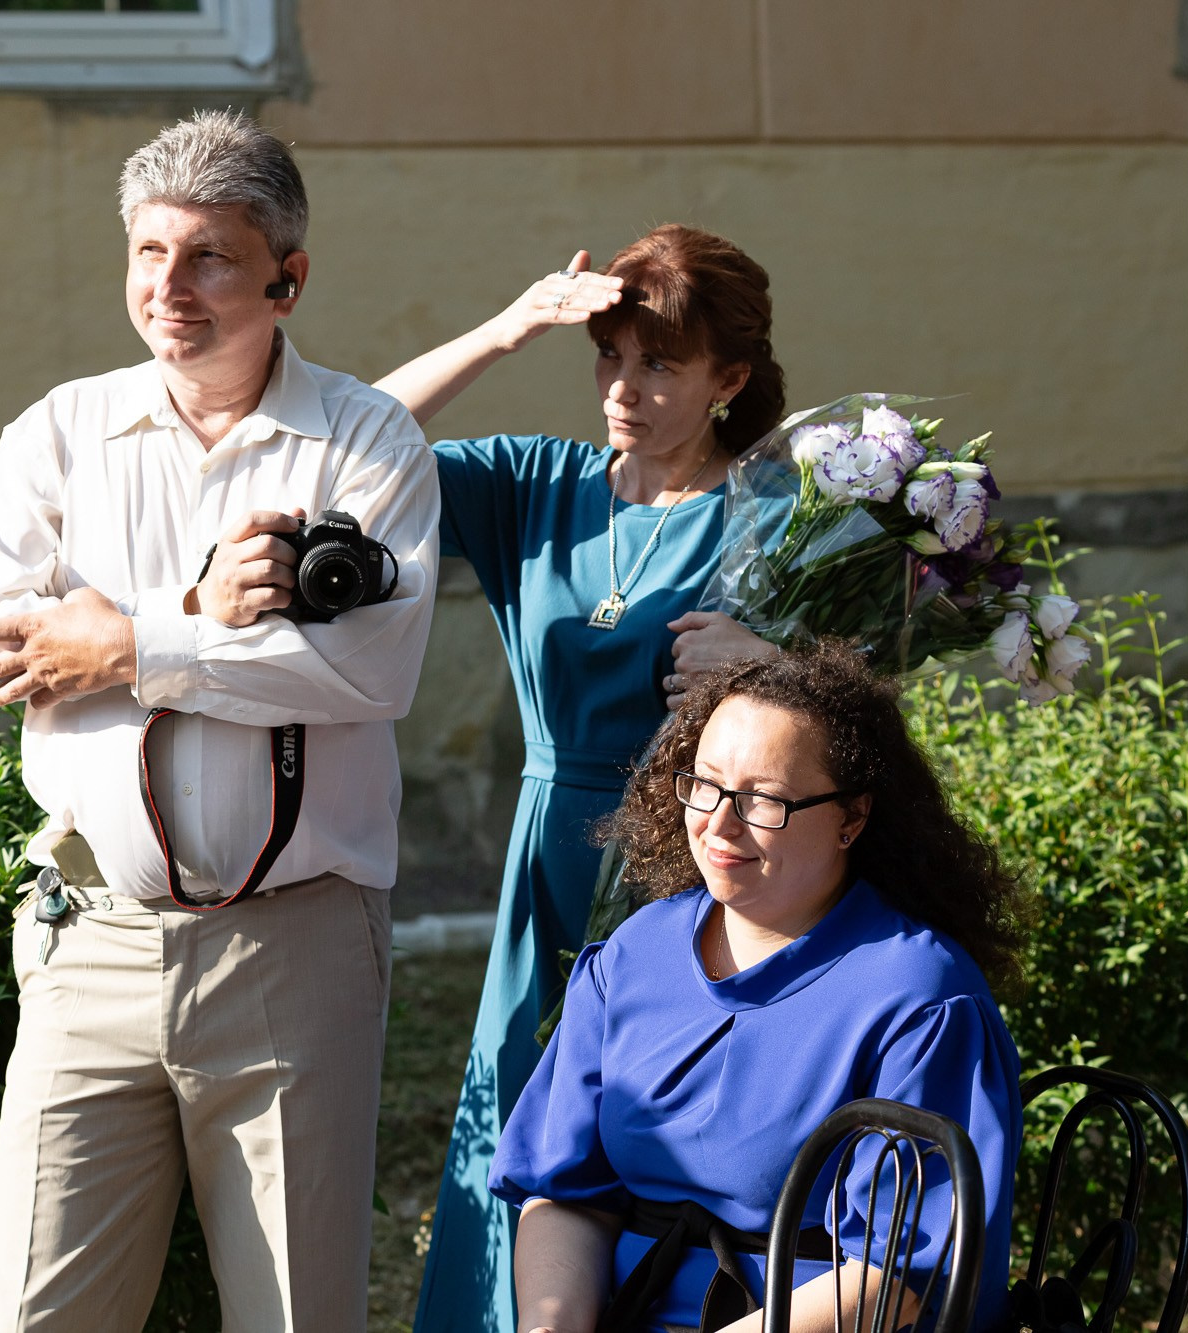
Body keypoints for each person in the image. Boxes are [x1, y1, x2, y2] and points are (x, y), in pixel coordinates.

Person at [0, 109, 439, 1332]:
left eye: (210, 256)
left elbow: (366, 674)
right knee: (38, 1313)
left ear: (286, 277)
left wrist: (116, 648)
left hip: (296, 952)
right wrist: (188, 614)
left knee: (295, 1314)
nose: (169, 288)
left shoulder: (366, 441)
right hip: (88, 941)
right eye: (148, 252)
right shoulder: (59, 432)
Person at [374, 225, 787, 1330]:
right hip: (549, 850)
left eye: (658, 364)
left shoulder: (778, 520)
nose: (621, 387)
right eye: (608, 355)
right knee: (521, 1107)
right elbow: (348, 439)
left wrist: (771, 665)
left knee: (652, 1118)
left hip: (690, 865)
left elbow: (858, 717)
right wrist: (506, 330)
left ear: (727, 380)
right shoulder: (535, 481)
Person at [488, 644, 1028, 1333]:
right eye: (705, 783)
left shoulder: (920, 998)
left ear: (852, 818)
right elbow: (567, 1191)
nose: (718, 823)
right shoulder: (634, 954)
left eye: (763, 800)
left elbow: (896, 1280)